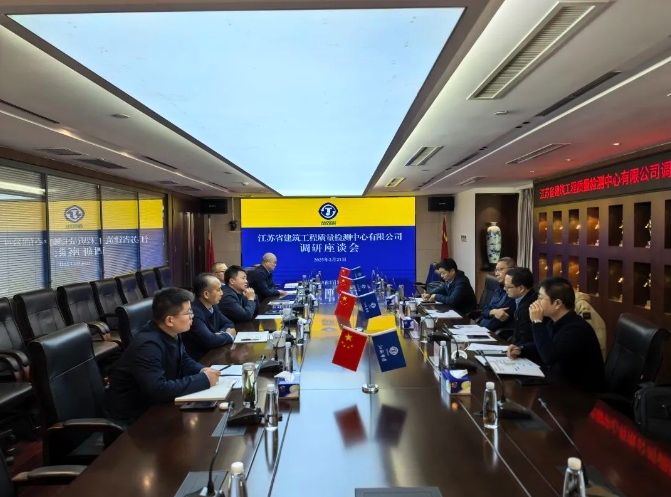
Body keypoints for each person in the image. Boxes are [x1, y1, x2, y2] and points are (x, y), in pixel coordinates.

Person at [105, 287, 220, 426]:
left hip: (155, 407)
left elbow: (183, 359)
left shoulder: (170, 331)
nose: (192, 316)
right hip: (134, 420)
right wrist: (204, 380)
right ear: (170, 320)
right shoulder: (147, 345)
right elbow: (158, 389)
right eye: (189, 312)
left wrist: (202, 370)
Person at [507, 277, 604, 391]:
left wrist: (537, 322)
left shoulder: (576, 329)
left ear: (557, 303)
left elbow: (549, 356)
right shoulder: (555, 322)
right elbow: (544, 345)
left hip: (580, 392)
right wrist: (521, 349)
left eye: (540, 298)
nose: (536, 302)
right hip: (559, 383)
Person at [182, 273, 237, 361]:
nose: (222, 293)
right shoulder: (194, 312)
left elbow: (228, 323)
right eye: (218, 290)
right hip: (200, 360)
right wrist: (228, 335)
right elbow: (210, 341)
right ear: (206, 294)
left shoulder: (213, 306)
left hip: (214, 353)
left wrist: (220, 334)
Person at [480, 257, 517, 331]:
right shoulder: (499, 288)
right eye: (496, 270)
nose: (496, 274)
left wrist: (491, 311)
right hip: (483, 328)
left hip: (496, 332)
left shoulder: (513, 291)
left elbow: (500, 316)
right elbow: (484, 310)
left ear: (512, 270)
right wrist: (493, 311)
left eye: (500, 269)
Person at [503, 267, 537, 345]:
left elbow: (525, 338)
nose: (505, 289)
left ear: (521, 288)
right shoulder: (519, 299)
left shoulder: (529, 307)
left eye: (508, 287)